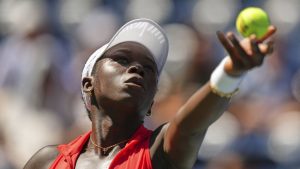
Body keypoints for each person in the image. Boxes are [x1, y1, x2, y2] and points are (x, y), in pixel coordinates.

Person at [23, 18, 276, 169]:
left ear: (152, 101)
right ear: (89, 84)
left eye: (148, 69)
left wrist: (230, 74)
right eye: (121, 59)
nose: (136, 69)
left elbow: (190, 126)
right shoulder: (47, 161)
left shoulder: (160, 151)